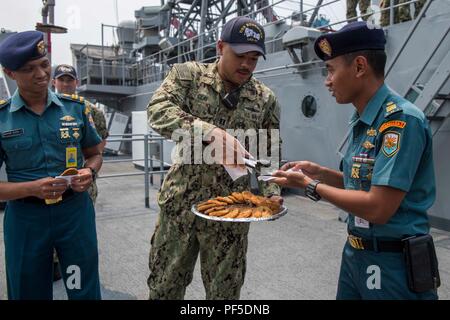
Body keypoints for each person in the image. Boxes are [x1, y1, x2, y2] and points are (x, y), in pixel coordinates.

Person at [271, 22, 439, 299]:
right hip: (357, 254)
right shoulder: (363, 120)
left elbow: (377, 208)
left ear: (359, 67)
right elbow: (361, 185)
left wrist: (310, 185)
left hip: (392, 264)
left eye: (331, 70)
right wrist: (320, 172)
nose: (327, 80)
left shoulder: (399, 121)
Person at [146, 16, 282, 299]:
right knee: (164, 287)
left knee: (225, 294)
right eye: (240, 55)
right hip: (181, 206)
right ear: (221, 47)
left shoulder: (264, 98)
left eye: (254, 58)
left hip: (229, 215)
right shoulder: (187, 76)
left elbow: (268, 151)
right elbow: (158, 110)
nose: (247, 64)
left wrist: (272, 192)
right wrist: (207, 131)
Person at [0, 31, 103, 299]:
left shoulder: (76, 109)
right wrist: (32, 188)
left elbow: (94, 153)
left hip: (74, 214)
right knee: (28, 290)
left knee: (83, 287)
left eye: (44, 64)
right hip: (26, 220)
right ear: (10, 73)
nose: (41, 74)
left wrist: (89, 170)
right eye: (28, 69)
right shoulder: (2, 119)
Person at [50, 64, 109, 281]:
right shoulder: (46, 108)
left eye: (69, 80)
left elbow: (101, 140)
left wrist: (89, 166)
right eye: (61, 79)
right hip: (54, 178)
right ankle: (54, 262)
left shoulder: (91, 110)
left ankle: (75, 262)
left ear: (76, 83)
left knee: (80, 224)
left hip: (83, 178)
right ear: (53, 82)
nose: (65, 84)